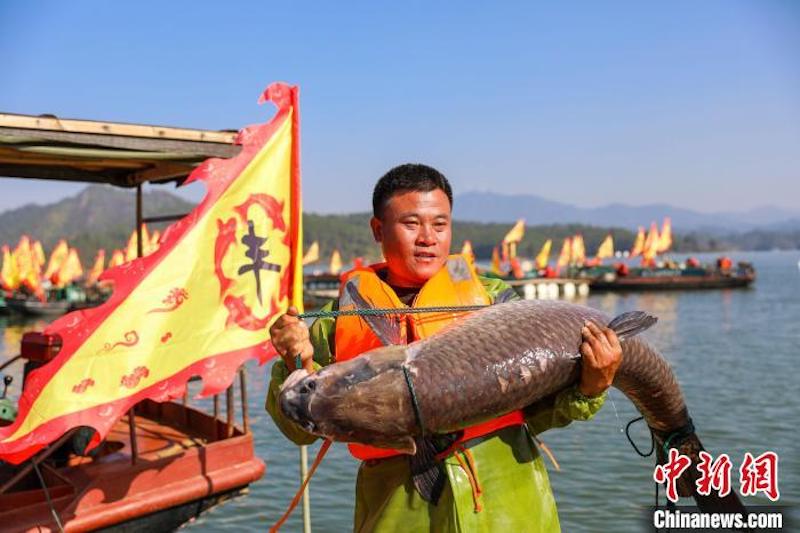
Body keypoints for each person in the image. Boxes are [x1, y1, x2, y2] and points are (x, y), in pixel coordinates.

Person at [266, 164, 623, 532]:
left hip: (509, 509)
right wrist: (295, 359)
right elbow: (299, 430)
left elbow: (540, 413)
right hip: (397, 517)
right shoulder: (335, 320)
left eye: (440, 224)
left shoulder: (494, 301)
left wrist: (590, 388)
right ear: (378, 229)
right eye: (411, 224)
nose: (428, 238)